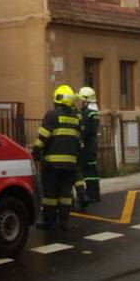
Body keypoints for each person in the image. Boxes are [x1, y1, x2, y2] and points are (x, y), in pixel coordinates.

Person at [31, 85, 82, 231]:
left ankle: (49, 221)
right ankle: (64, 222)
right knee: (66, 194)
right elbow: (79, 142)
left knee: (50, 194)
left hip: (52, 165)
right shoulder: (76, 119)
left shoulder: (51, 115)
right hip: (70, 164)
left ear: (57, 99)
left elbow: (43, 138)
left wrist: (35, 153)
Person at [77, 86, 101, 202]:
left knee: (87, 171)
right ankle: (95, 194)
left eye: (81, 99)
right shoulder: (94, 111)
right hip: (92, 145)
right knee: (93, 170)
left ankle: (90, 195)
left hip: (87, 146)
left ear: (85, 100)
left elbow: (83, 130)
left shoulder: (87, 112)